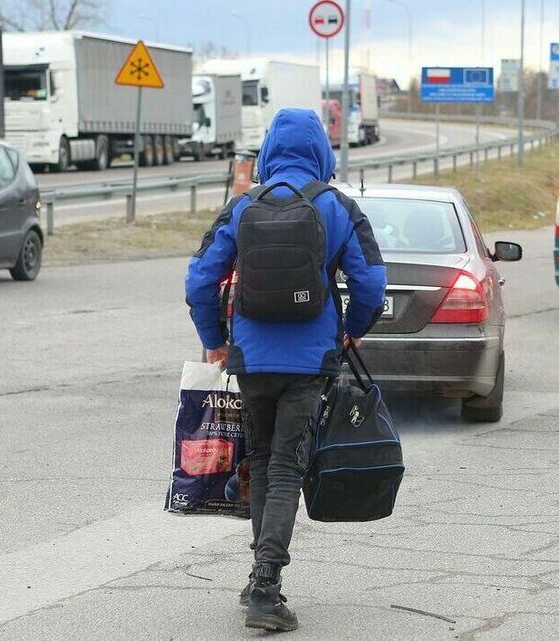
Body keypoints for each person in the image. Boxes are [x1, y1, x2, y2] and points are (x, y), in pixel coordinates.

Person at [185, 108, 387, 630]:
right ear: (321, 151)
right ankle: (265, 587)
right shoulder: (337, 207)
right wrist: (352, 329)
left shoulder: (242, 207)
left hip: (251, 359)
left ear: (269, 150)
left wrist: (214, 341)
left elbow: (199, 279)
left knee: (260, 462)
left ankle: (260, 577)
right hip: (309, 359)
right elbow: (371, 283)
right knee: (285, 470)